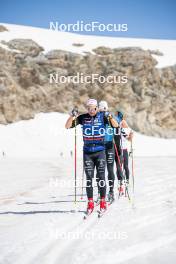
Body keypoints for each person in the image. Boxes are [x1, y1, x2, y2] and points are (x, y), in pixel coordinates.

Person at [65, 99, 118, 214]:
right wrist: (71, 116)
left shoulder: (102, 116)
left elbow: (116, 125)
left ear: (97, 108)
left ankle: (103, 201)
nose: (91, 111)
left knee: (101, 176)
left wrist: (110, 117)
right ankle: (90, 203)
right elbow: (67, 126)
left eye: (93, 108)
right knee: (89, 178)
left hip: (100, 151)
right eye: (89, 108)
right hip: (88, 152)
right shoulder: (83, 118)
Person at [98, 100, 115, 203]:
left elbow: (116, 126)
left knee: (110, 169)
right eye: (101, 109)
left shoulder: (110, 116)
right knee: (100, 170)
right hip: (100, 146)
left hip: (109, 145)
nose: (103, 110)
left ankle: (111, 191)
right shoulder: (96, 117)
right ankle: (101, 192)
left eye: (104, 109)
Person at [114, 111, 133, 193]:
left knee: (125, 166)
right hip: (119, 149)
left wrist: (131, 135)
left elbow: (129, 138)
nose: (122, 123)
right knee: (119, 166)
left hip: (124, 149)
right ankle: (120, 182)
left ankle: (127, 181)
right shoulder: (118, 127)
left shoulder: (126, 128)